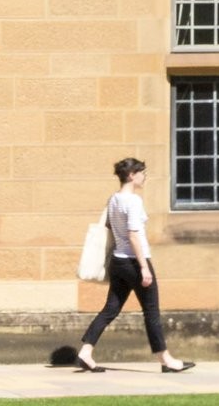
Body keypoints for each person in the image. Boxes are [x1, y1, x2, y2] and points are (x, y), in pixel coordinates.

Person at [75, 156, 194, 374]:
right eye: (141, 172)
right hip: (134, 261)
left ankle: (86, 351)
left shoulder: (114, 199)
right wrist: (144, 267)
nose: (144, 175)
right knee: (151, 312)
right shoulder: (133, 201)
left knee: (110, 309)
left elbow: (113, 227)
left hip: (118, 262)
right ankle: (165, 359)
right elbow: (134, 235)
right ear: (131, 175)